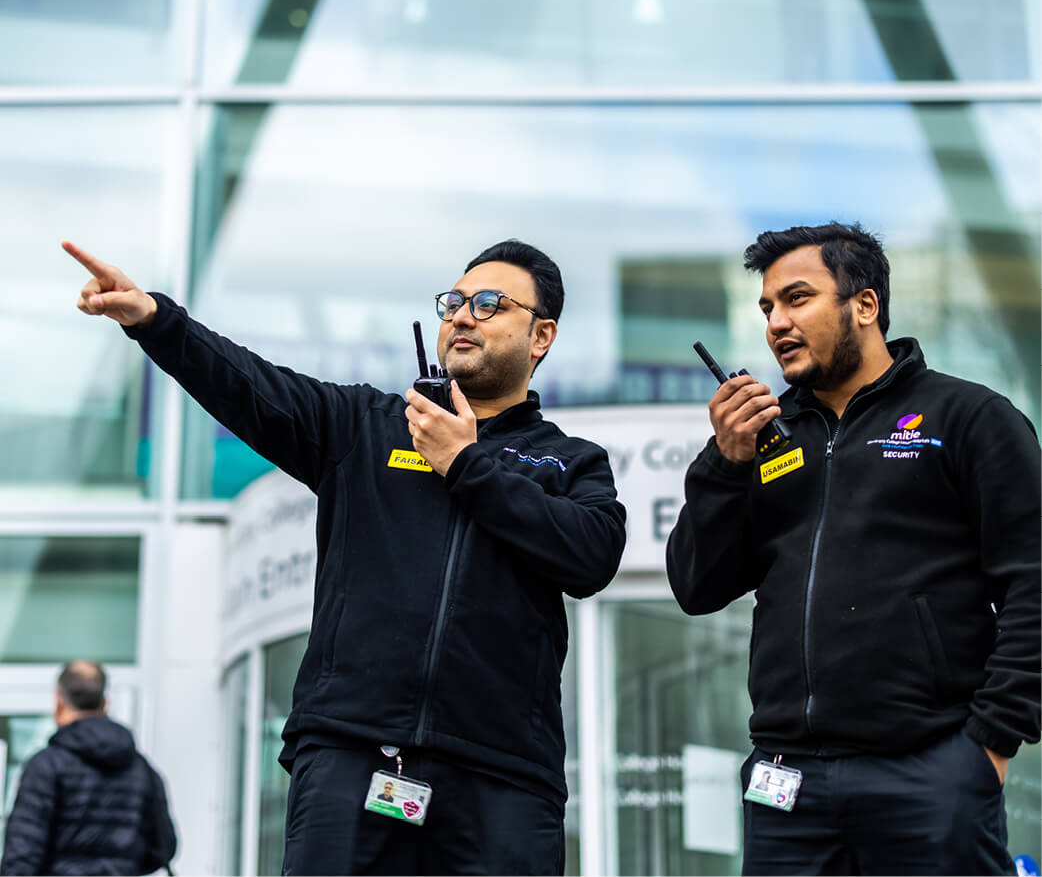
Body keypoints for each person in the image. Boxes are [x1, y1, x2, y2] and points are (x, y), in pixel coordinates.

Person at [63, 237, 626, 876]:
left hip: (502, 776)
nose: (463, 315)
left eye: (491, 303)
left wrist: (466, 465)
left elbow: (592, 557)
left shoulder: (570, 462)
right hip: (350, 755)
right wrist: (157, 322)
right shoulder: (365, 425)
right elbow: (251, 386)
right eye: (455, 302)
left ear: (541, 335)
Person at [666, 222, 1040, 876]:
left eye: (798, 298)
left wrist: (989, 744)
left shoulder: (969, 417)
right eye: (767, 308)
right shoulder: (766, 441)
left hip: (931, 769)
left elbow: (1033, 581)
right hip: (786, 782)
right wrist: (724, 464)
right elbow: (697, 585)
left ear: (864, 305)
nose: (777, 322)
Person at [0, 661, 177, 876]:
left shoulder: (47, 766)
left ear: (59, 701)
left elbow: (22, 854)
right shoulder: (142, 770)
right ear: (105, 703)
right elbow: (163, 847)